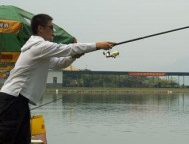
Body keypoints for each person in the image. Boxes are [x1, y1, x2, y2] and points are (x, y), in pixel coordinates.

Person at [0, 14, 115, 144]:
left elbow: (58, 64)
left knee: (22, 139)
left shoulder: (41, 50)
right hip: (13, 97)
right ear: (40, 28)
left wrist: (73, 57)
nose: (53, 32)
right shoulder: (39, 46)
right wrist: (97, 45)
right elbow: (66, 48)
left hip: (19, 99)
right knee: (6, 137)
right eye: (51, 27)